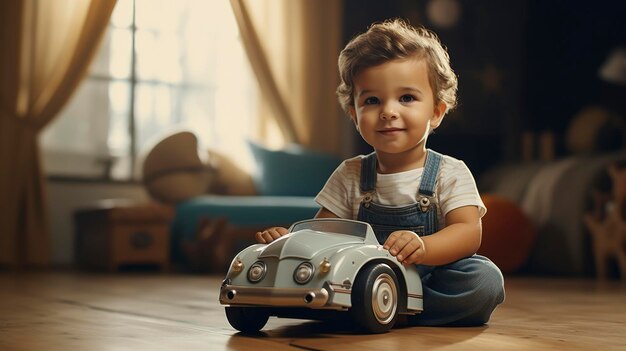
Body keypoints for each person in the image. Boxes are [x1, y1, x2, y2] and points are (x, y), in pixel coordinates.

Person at [255, 19, 504, 327]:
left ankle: (385, 311)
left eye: (407, 98)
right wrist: (290, 241)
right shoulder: (351, 173)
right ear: (354, 115)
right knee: (317, 273)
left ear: (436, 112)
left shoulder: (449, 172)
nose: (388, 111)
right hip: (360, 278)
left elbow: (468, 233)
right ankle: (367, 305)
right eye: (372, 100)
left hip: (427, 277)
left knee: (484, 279)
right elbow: (322, 233)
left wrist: (424, 247)